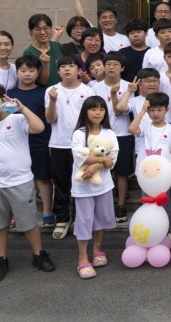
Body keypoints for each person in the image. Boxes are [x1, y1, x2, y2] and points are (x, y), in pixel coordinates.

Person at [0, 85, 55, 281]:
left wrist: (21, 108)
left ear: (3, 100)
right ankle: (1, 259)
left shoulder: (17, 119)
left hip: (20, 181)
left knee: (29, 222)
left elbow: (39, 127)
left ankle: (39, 254)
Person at [45, 56, 95, 240]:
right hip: (58, 143)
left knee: (81, 182)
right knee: (61, 182)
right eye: (63, 66)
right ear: (58, 71)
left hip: (82, 145)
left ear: (79, 70)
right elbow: (50, 119)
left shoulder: (87, 91)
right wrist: (52, 101)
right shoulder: (51, 90)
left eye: (71, 66)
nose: (67, 69)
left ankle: (80, 218)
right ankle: (62, 218)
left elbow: (92, 119)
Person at [70, 96, 118, 279]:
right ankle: (82, 257)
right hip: (83, 186)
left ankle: (97, 249)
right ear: (86, 111)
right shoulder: (79, 133)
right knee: (84, 221)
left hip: (103, 185)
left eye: (101, 109)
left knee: (101, 218)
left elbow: (112, 159)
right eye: (93, 109)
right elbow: (79, 156)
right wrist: (101, 160)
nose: (98, 113)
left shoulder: (109, 133)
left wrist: (96, 166)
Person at [7, 55, 54, 227]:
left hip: (40, 141)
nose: (27, 74)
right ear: (16, 72)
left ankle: (47, 211)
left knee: (43, 177)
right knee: (16, 179)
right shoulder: (9, 94)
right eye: (23, 70)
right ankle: (15, 213)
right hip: (15, 144)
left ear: (38, 72)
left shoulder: (45, 92)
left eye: (31, 70)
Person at [92, 51, 133, 223]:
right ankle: (104, 205)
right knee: (101, 169)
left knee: (122, 172)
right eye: (108, 64)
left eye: (115, 64)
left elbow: (119, 111)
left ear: (122, 68)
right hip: (100, 134)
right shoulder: (95, 87)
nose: (111, 67)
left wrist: (115, 94)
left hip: (122, 133)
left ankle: (121, 205)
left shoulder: (129, 87)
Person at [22, 14, 66, 87]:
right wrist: (45, 64)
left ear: (50, 29)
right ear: (31, 31)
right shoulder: (29, 52)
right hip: (43, 92)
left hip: (62, 90)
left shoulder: (58, 46)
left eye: (46, 28)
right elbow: (41, 81)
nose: (42, 32)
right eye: (38, 29)